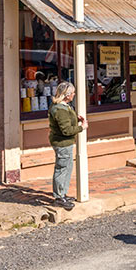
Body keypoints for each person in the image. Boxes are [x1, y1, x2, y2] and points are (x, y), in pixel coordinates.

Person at [48, 82, 88, 211]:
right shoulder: (60, 109)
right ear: (67, 95)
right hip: (62, 143)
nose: (74, 95)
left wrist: (75, 118)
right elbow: (66, 130)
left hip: (65, 143)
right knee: (62, 169)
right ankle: (59, 197)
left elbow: (66, 121)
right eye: (73, 93)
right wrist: (81, 127)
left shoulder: (63, 107)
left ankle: (63, 194)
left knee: (67, 167)